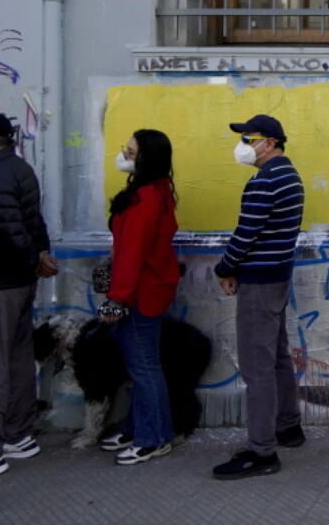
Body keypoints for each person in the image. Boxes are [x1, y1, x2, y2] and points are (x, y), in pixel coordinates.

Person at [212, 114, 306, 480]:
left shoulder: (264, 182)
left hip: (259, 283)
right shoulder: (290, 176)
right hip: (278, 277)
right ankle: (288, 427)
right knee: (277, 357)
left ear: (270, 142)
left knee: (257, 368)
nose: (244, 145)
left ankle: (261, 451)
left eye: (250, 138)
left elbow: (244, 234)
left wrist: (224, 268)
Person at [98, 129, 182, 465]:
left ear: (147, 157)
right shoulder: (154, 189)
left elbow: (133, 252)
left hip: (140, 293)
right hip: (148, 288)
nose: (124, 156)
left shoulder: (146, 197)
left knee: (144, 367)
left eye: (130, 152)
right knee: (141, 364)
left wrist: (117, 299)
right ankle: (137, 427)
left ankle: (154, 437)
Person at [0, 111, 57, 478]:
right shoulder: (19, 170)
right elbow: (33, 221)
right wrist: (40, 255)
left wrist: (34, 256)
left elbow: (7, 228)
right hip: (19, 280)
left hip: (0, 281)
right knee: (17, 357)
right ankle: (19, 435)